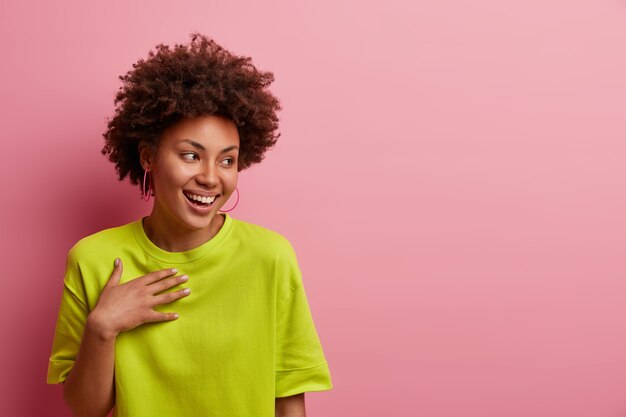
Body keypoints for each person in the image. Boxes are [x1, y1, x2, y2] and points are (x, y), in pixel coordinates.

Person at [47, 34, 333, 417]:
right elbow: (86, 409)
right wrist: (103, 327)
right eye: (190, 155)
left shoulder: (270, 256)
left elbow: (290, 398)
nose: (211, 177)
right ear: (148, 157)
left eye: (227, 160)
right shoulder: (94, 259)